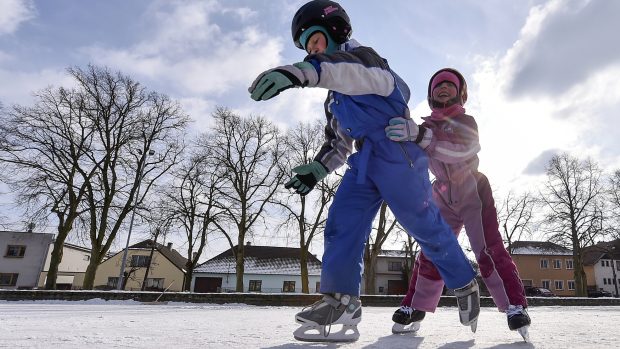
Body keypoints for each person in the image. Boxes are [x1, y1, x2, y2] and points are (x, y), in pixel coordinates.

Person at [248, 1, 480, 343]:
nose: (313, 51)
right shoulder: (334, 98)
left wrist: (299, 72)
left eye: (316, 42)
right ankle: (342, 301)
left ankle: (463, 281)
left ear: (337, 31)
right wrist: (316, 169)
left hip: (397, 153)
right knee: (342, 221)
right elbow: (338, 142)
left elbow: (351, 73)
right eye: (308, 48)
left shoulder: (365, 60)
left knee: (422, 223)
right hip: (364, 160)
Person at [385, 68, 531, 340]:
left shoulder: (466, 121)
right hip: (440, 192)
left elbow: (461, 150)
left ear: (460, 93)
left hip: (472, 187)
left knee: (487, 248)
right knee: (431, 250)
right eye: (437, 86)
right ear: (430, 95)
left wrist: (421, 137)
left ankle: (514, 305)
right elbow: (410, 154)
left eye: (449, 85)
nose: (442, 88)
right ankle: (415, 305)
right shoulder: (425, 126)